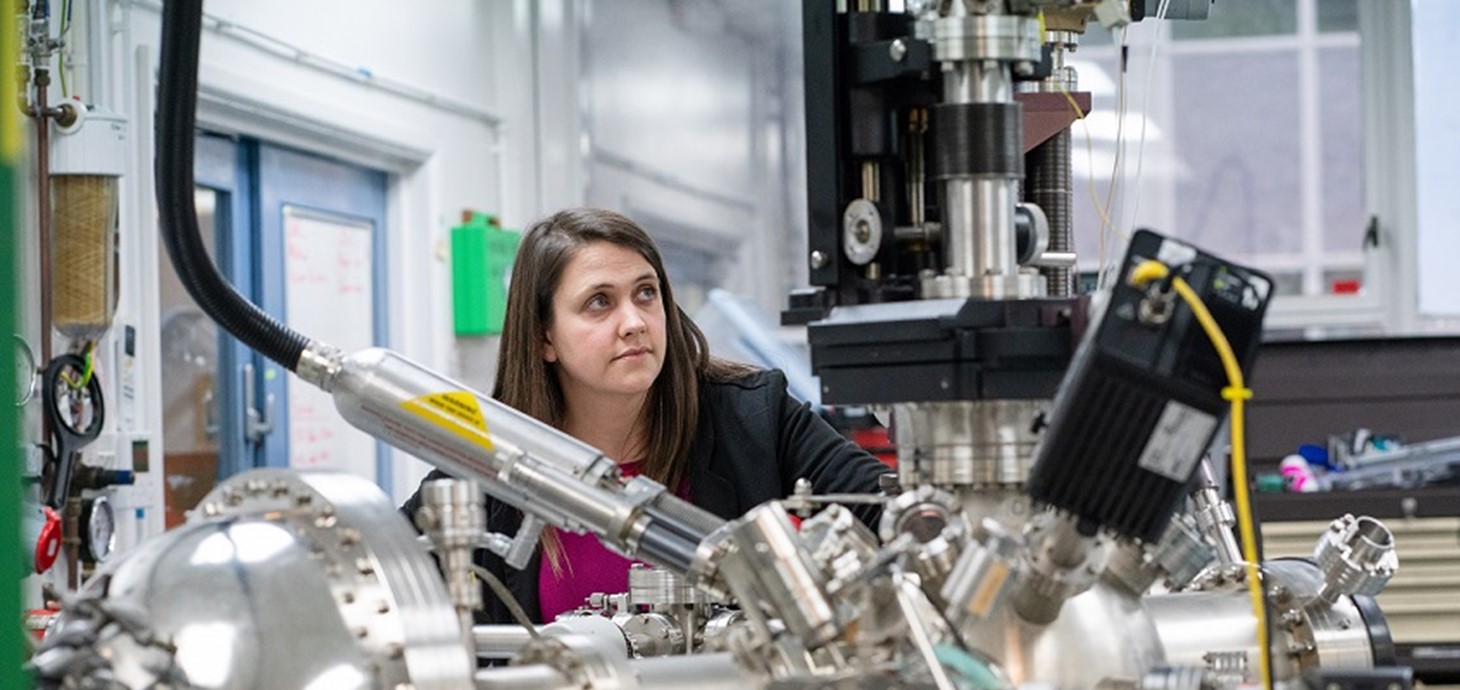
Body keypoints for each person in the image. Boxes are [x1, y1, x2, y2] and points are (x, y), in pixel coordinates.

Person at [401, 207, 888, 625]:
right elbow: (382, 584)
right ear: (545, 337)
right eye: (599, 303)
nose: (634, 322)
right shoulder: (486, 473)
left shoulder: (754, 418)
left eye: (646, 293)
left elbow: (889, 514)